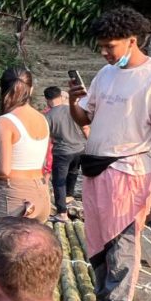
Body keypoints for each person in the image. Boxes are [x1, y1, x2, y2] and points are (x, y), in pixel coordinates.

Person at [66, 6, 151, 301]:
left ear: (133, 41)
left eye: (110, 46)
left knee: (122, 239)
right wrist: (76, 103)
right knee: (98, 238)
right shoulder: (105, 74)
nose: (104, 52)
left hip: (130, 169)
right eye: (101, 46)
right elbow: (86, 120)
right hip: (96, 166)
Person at [0, 67, 51, 222]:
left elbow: (4, 169)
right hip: (41, 194)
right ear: (31, 90)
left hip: (16, 197)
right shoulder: (42, 119)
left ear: (1, 89)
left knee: (2, 246)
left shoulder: (5, 122)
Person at [43, 85, 87, 222]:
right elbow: (85, 126)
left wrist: (44, 158)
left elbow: (46, 139)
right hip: (79, 148)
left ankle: (61, 213)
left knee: (58, 181)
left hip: (62, 151)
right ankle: (69, 197)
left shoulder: (48, 116)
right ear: (60, 97)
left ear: (47, 99)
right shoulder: (72, 109)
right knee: (73, 173)